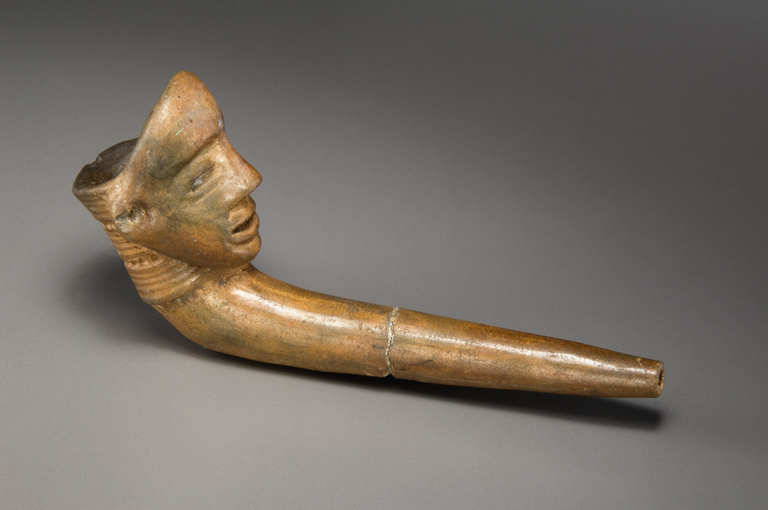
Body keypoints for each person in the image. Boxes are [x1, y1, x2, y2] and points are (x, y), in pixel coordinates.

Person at [73, 72, 664, 397]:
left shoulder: (205, 267)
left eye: (227, 152)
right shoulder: (201, 303)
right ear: (136, 222)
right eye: (201, 178)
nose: (248, 177)